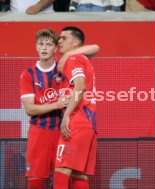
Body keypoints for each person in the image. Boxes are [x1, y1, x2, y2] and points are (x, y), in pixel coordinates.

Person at [20, 28, 99, 189]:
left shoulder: (64, 65)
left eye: (49, 44)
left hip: (64, 127)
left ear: (55, 48)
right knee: (36, 176)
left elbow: (96, 48)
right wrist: (56, 105)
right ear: (36, 47)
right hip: (41, 129)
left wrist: (69, 54)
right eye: (41, 44)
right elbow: (29, 109)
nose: (44, 48)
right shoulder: (29, 74)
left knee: (70, 172)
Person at [53, 26, 99, 189]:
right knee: (79, 174)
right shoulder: (82, 59)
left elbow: (80, 87)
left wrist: (67, 116)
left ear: (76, 43)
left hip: (77, 121)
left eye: (64, 38)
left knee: (61, 169)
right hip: (88, 123)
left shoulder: (73, 60)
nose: (59, 41)